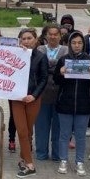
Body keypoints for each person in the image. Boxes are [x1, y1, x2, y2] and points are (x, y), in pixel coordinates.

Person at [53, 31, 90, 176]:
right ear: (69, 44)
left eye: (79, 43)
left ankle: (80, 162)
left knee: (81, 136)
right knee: (64, 135)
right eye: (74, 43)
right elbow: (56, 80)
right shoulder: (64, 59)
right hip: (65, 103)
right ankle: (63, 160)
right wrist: (60, 73)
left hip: (84, 104)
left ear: (83, 44)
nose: (77, 46)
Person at [12, 28, 48, 178]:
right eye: (23, 39)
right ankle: (30, 164)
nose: (26, 41)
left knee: (28, 131)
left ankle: (23, 158)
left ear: (35, 40)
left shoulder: (41, 57)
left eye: (29, 38)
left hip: (32, 99)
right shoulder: (15, 54)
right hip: (17, 98)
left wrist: (34, 95)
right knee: (22, 130)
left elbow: (44, 78)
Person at [34, 25, 68, 162]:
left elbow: (66, 68)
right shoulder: (40, 49)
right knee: (41, 126)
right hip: (42, 94)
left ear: (60, 36)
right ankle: (41, 153)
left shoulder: (66, 50)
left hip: (60, 94)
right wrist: (57, 66)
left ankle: (57, 154)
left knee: (59, 127)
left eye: (56, 34)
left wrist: (48, 66)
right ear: (46, 36)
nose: (53, 37)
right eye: (50, 34)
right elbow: (38, 67)